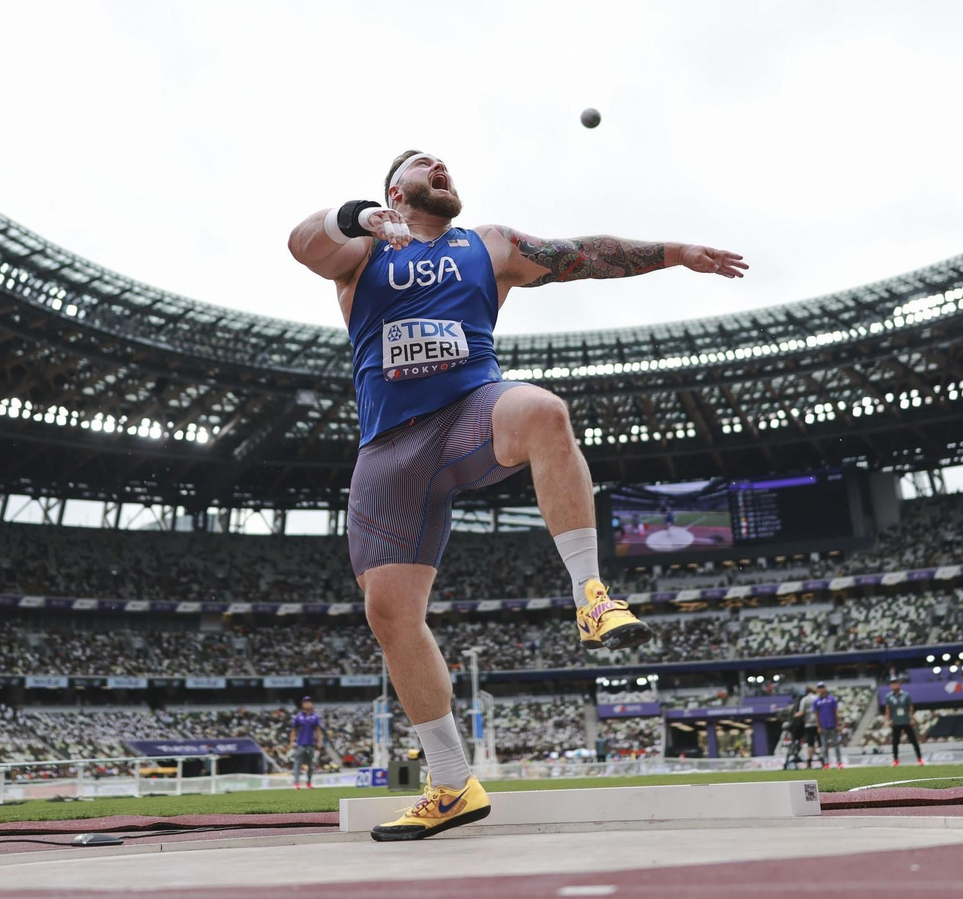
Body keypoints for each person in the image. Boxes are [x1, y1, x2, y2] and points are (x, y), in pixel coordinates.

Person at [288, 152, 745, 841]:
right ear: (395, 192)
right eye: (420, 163)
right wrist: (360, 217)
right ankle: (451, 783)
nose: (439, 163)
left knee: (543, 411)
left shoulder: (491, 245)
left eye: (443, 161)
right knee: (390, 617)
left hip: (470, 411)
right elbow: (302, 243)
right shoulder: (362, 251)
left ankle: (592, 595)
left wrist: (676, 253)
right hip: (390, 450)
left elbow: (585, 254)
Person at [884, 677, 923, 766]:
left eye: (895, 683)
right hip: (896, 721)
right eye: (892, 684)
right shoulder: (888, 696)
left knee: (913, 740)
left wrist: (912, 718)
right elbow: (888, 709)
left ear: (899, 684)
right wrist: (888, 720)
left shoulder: (906, 695)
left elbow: (910, 707)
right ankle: (895, 760)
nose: (894, 685)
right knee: (895, 742)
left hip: (906, 720)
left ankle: (919, 759)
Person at [290, 696, 325, 789]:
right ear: (302, 704)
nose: (308, 704)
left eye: (309, 702)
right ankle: (296, 783)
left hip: (310, 744)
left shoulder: (315, 717)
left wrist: (320, 741)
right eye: (306, 702)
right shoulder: (298, 716)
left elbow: (318, 730)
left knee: (310, 764)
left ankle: (309, 782)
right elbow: (293, 730)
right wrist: (291, 742)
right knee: (297, 764)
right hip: (300, 744)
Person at [813, 681, 843, 769]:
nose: (821, 689)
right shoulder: (816, 701)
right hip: (823, 726)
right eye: (819, 688)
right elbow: (816, 715)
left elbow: (835, 712)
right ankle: (826, 763)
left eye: (822, 687)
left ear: (825, 688)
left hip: (832, 724)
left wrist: (837, 724)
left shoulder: (832, 699)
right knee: (824, 746)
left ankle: (839, 763)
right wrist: (818, 726)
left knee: (836, 745)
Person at [796, 684, 822, 768]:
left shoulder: (804, 699)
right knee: (821, 743)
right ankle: (824, 760)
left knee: (810, 744)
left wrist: (794, 716)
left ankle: (809, 762)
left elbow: (801, 712)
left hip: (809, 724)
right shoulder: (818, 698)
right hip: (820, 724)